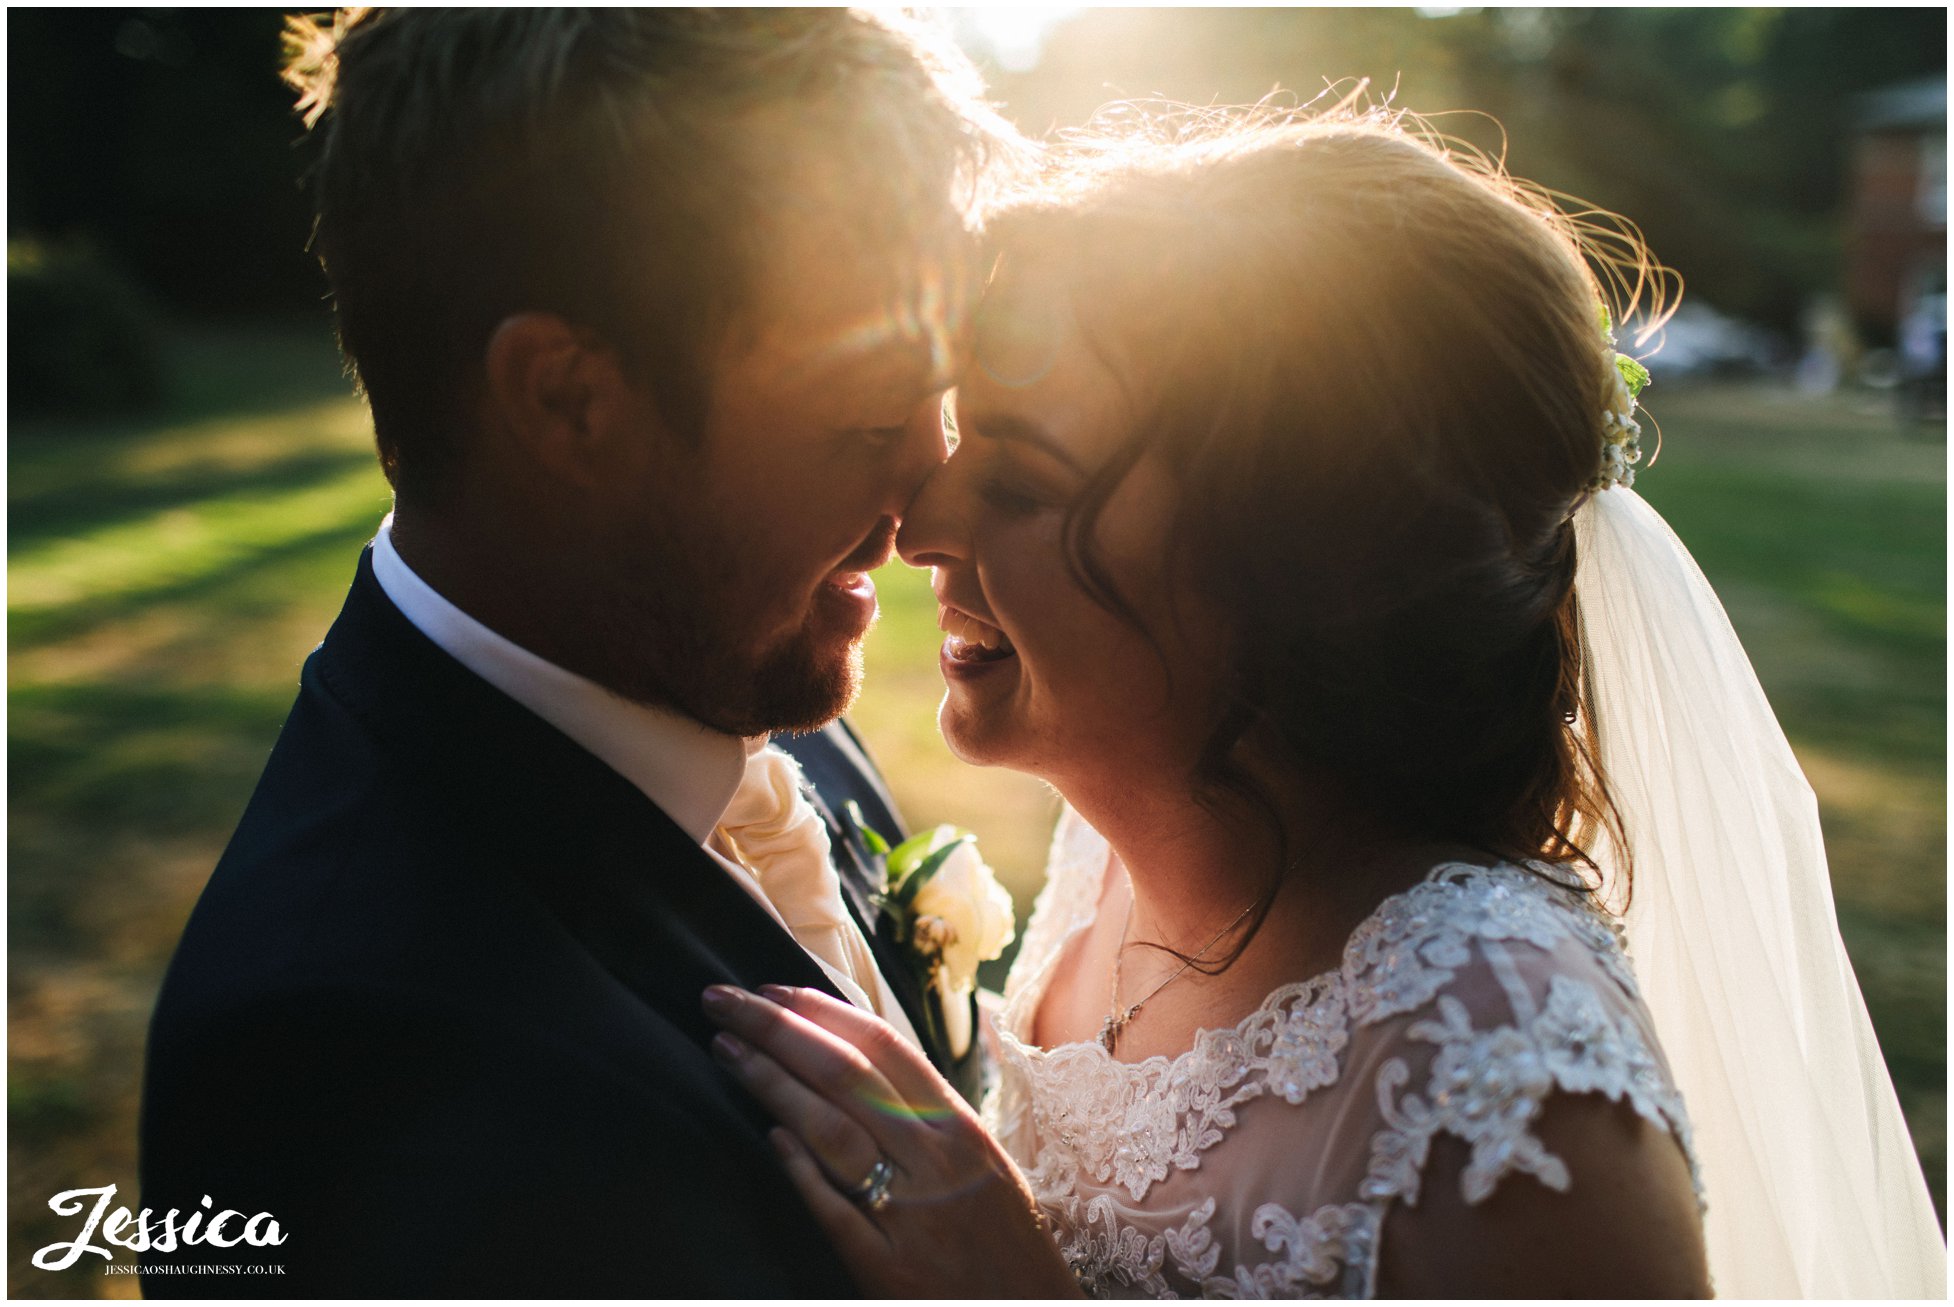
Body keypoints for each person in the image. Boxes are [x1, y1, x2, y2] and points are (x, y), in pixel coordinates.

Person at [702, 105, 1947, 1298]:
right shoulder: (1121, 849)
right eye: (966, 438)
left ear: (1290, 565)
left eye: (1023, 486)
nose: (922, 524)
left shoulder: (1494, 1073)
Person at [138, 9, 1017, 1296]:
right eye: (872, 415)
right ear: (566, 399)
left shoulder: (730, 663)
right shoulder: (333, 1061)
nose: (934, 497)